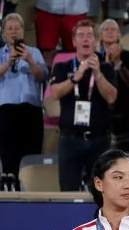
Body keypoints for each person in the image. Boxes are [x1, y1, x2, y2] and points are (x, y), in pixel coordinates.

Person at [48, 19, 117, 192]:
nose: (86, 39)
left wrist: (98, 74)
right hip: (70, 140)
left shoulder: (107, 68)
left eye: (89, 35)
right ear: (74, 41)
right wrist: (75, 78)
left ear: (95, 41)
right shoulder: (62, 67)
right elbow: (55, 93)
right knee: (68, 192)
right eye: (81, 35)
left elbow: (111, 98)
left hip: (99, 140)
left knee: (102, 194)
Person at [0, 13, 45, 188]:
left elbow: (41, 76)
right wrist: (7, 62)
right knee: (8, 153)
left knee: (31, 154)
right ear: (3, 33)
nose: (13, 32)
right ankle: (9, 187)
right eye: (9, 29)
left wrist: (29, 60)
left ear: (23, 32)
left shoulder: (34, 52)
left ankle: (31, 186)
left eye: (17, 28)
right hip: (6, 110)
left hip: (31, 109)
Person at [98, 19, 129, 154]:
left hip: (123, 114)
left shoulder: (127, 56)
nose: (109, 32)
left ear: (119, 35)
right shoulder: (94, 57)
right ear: (100, 36)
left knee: (122, 158)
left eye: (113, 29)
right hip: (100, 113)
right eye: (105, 29)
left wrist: (118, 63)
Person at [35, 0, 89, 70]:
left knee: (76, 50)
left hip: (77, 3)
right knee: (46, 49)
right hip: (47, 3)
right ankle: (47, 78)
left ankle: (76, 77)